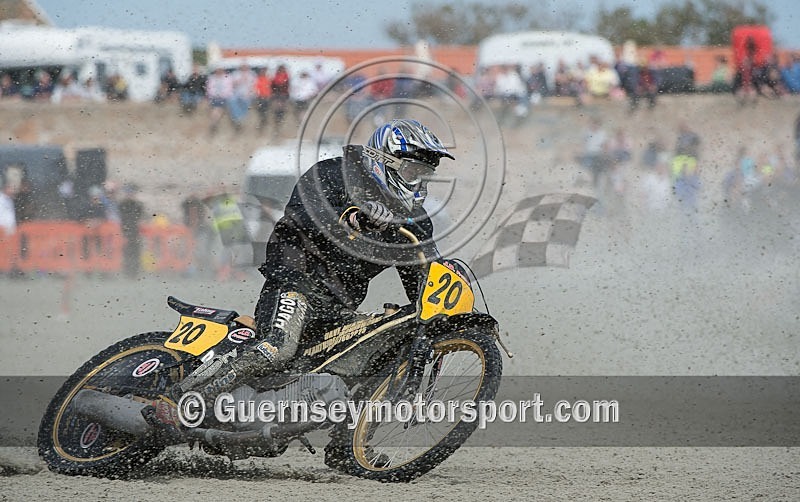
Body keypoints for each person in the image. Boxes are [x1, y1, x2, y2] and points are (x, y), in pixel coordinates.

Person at [152, 119, 454, 434]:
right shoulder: (334, 174)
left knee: (376, 348)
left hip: (339, 307)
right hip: (295, 281)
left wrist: (445, 294)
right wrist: (357, 220)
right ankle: (181, 401)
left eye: (424, 174)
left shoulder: (414, 223)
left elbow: (423, 280)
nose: (417, 180)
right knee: (280, 347)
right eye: (411, 171)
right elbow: (303, 219)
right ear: (384, 160)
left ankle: (345, 445)